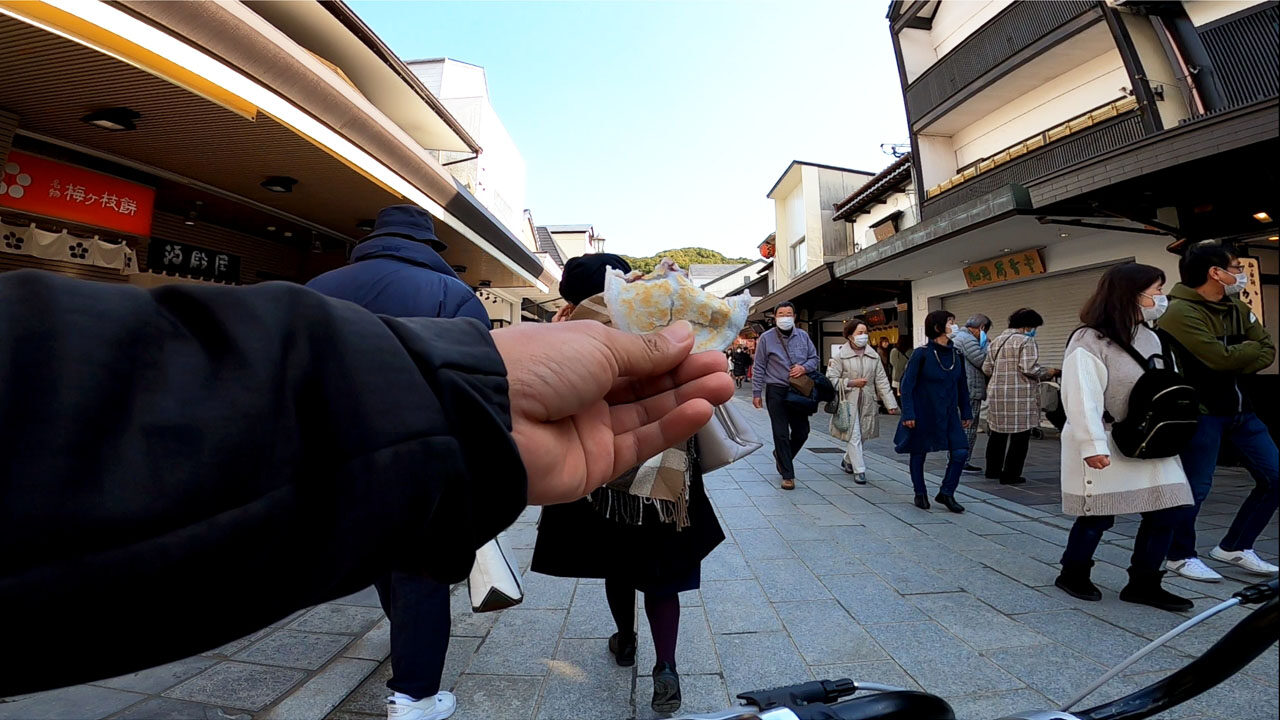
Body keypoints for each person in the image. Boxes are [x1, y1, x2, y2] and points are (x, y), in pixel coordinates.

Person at [0, 269, 734, 697]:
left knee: (583, 566)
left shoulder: (326, 283)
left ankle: (448, 680)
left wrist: (457, 401)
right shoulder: (452, 289)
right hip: (621, 464)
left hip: (521, 461)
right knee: (657, 569)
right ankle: (656, 661)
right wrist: (452, 401)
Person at [306, 206, 480, 720]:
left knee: (381, 556)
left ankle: (406, 647)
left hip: (333, 455)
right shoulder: (453, 295)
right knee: (422, 572)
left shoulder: (316, 286)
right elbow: (473, 387)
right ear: (429, 246)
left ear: (373, 237)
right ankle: (414, 696)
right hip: (418, 455)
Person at [532, 253, 725, 715]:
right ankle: (666, 667)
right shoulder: (657, 312)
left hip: (599, 457)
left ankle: (624, 641)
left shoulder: (568, 329)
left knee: (615, 560)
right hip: (668, 459)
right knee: (665, 572)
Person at [1055, 263, 1195, 611]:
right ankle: (1073, 572)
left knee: (1169, 509)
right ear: (1131, 295)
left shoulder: (1153, 335)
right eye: (1157, 291)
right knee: (1098, 515)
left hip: (1150, 438)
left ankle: (1144, 582)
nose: (1161, 298)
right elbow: (1081, 396)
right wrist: (1091, 446)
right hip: (1106, 436)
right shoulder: (1088, 340)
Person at [1160, 243, 1279, 581]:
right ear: (1215, 272)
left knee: (1275, 478)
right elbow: (1220, 359)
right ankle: (1179, 555)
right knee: (1196, 487)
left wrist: (1232, 355)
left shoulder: (1235, 307)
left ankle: (1236, 547)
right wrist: (1239, 353)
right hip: (1202, 411)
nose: (1240, 274)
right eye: (1236, 266)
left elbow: (1267, 350)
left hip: (1243, 409)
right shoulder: (1179, 311)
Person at [894, 310, 971, 513]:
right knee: (919, 452)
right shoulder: (922, 354)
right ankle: (920, 492)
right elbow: (907, 385)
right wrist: (908, 413)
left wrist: (966, 412)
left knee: (961, 451)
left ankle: (946, 492)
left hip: (949, 413)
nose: (954, 325)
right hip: (923, 412)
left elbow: (962, 386)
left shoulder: (957, 355)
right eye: (950, 322)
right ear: (937, 327)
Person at [982, 308, 1060, 485]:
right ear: (1027, 326)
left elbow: (986, 368)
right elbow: (1029, 368)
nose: (1034, 331)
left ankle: (992, 470)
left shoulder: (996, 341)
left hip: (997, 394)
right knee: (1020, 436)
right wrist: (1048, 372)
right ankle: (1011, 474)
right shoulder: (1026, 341)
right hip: (1020, 395)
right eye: (1034, 327)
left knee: (997, 434)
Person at [752, 302, 820, 490]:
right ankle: (787, 475)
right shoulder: (766, 338)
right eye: (781, 314)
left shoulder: (803, 336)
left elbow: (815, 359)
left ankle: (781, 456)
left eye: (788, 313)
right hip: (776, 390)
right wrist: (756, 392)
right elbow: (759, 366)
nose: (785, 317)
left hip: (798, 391)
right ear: (775, 318)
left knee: (802, 432)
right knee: (780, 432)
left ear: (795, 316)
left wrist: (803, 367)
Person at [825, 318, 898, 483]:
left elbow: (881, 380)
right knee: (855, 434)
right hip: (848, 401)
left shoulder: (873, 356)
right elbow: (831, 380)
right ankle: (860, 470)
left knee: (863, 434)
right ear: (850, 335)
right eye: (860, 333)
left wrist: (891, 404)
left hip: (868, 401)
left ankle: (848, 460)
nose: (863, 336)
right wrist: (851, 383)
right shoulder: (840, 357)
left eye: (865, 333)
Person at [952, 314, 992, 474]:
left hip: (963, 388)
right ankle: (962, 461)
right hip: (970, 388)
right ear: (981, 328)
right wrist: (988, 348)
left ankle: (957, 459)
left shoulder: (958, 337)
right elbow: (982, 361)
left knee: (962, 425)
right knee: (968, 426)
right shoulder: (967, 339)